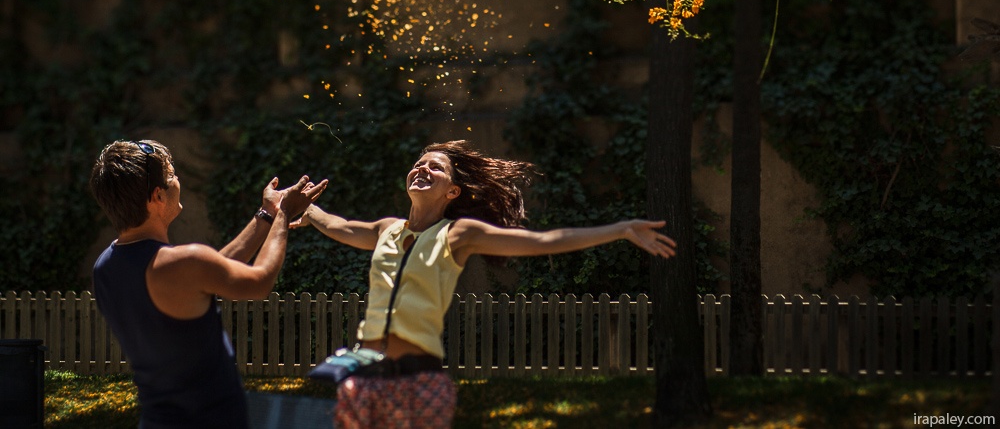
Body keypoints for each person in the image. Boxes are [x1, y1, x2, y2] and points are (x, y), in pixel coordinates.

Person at [292, 140, 676, 429]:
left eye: (435, 168)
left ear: (452, 191)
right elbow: (338, 225)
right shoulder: (386, 229)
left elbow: (542, 241)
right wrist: (304, 208)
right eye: (418, 164)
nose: (422, 169)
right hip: (362, 377)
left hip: (419, 379)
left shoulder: (458, 234)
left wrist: (619, 230)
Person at [89, 139, 328, 429]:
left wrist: (267, 214)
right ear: (157, 197)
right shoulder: (183, 263)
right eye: (171, 175)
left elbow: (208, 274)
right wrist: (285, 214)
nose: (177, 180)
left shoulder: (105, 267)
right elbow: (260, 280)